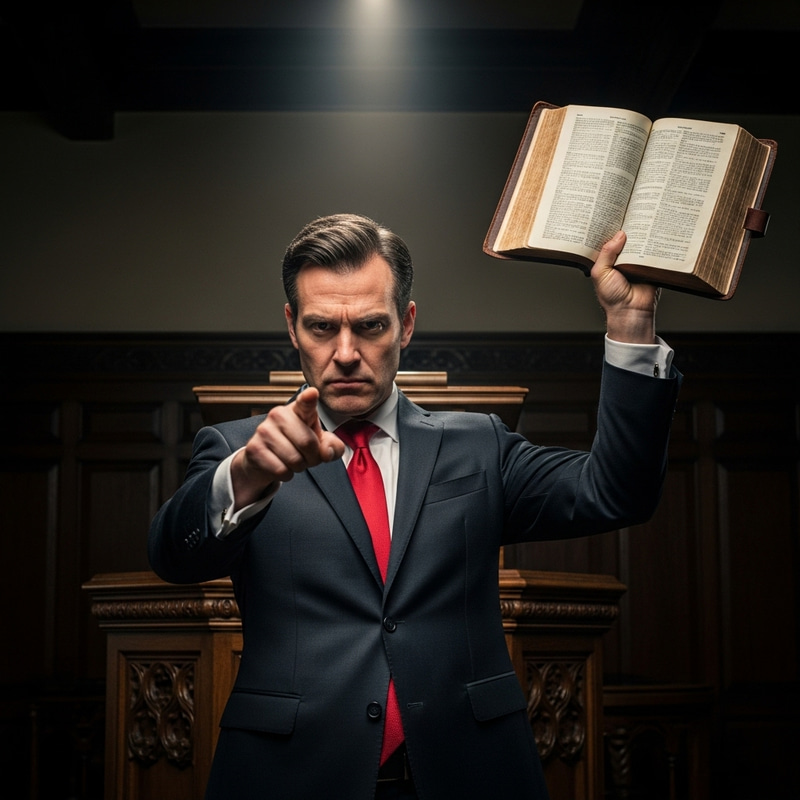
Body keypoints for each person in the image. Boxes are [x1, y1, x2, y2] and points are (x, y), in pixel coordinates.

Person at [148, 212, 681, 799]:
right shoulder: (239, 451)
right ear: (292, 327)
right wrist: (246, 475)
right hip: (289, 774)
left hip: (471, 771)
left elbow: (616, 492)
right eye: (322, 327)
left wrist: (631, 323)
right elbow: (172, 556)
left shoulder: (480, 444)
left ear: (406, 325)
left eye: (371, 326)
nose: (346, 353)